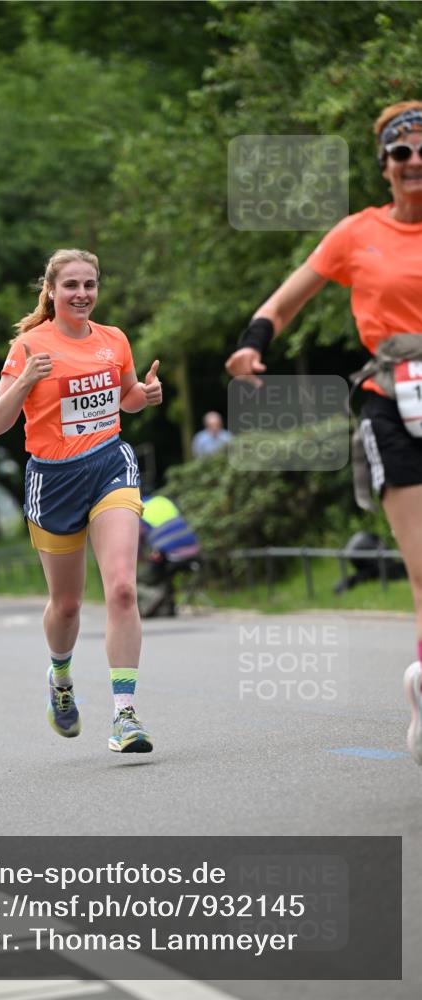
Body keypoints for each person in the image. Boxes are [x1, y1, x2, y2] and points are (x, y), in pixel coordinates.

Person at [225, 101, 422, 764]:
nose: (413, 162)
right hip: (391, 403)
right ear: (384, 167)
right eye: (400, 154)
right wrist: (253, 345)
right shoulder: (355, 234)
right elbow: (282, 303)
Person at [0, 248, 163, 753]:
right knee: (66, 606)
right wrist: (25, 381)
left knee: (124, 589)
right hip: (54, 479)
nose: (82, 294)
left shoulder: (114, 340)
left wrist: (144, 396)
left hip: (110, 465)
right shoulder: (29, 346)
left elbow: (124, 397)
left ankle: (125, 714)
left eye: (90, 284)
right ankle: (60, 678)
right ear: (51, 291)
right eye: (71, 286)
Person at [138, 495, 201, 617]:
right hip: (194, 552)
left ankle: (151, 596)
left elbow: (138, 540)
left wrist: (140, 557)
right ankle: (167, 607)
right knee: (163, 570)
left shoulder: (138, 508)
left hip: (172, 554)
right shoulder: (163, 501)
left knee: (140, 577)